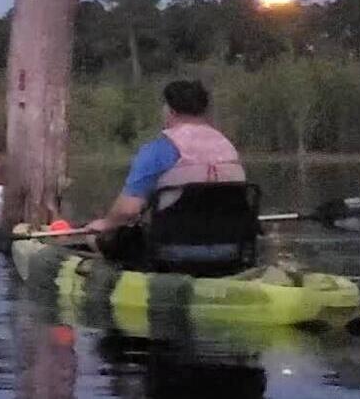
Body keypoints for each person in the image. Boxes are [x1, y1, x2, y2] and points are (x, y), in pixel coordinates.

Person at [84, 79, 246, 263]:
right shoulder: (228, 148)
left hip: (173, 252)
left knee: (98, 236)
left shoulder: (158, 150)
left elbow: (128, 210)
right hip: (232, 249)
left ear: (170, 111)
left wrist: (105, 224)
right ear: (204, 112)